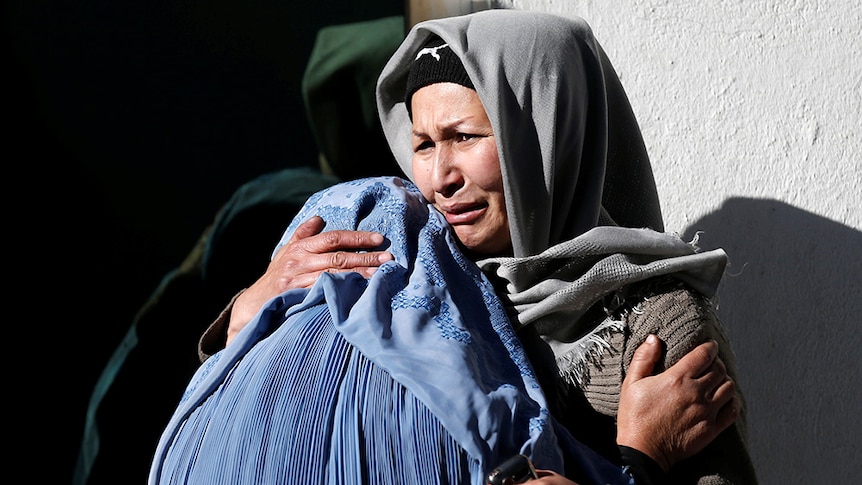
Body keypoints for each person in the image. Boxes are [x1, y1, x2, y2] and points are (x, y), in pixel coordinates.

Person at [157, 9, 756, 484]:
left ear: (545, 134)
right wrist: (253, 309)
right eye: (422, 145)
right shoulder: (414, 276)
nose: (440, 177)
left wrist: (642, 460)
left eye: (464, 137)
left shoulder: (652, 324)